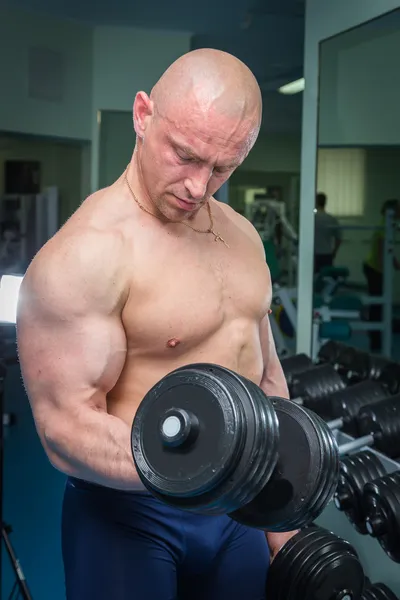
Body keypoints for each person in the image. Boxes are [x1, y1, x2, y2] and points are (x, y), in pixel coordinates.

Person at [16, 49, 296, 600]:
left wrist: (281, 511)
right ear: (143, 116)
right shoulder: (86, 256)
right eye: (185, 156)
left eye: (222, 168)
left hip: (236, 511)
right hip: (130, 517)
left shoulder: (244, 237)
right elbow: (64, 428)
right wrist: (205, 471)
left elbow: (265, 377)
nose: (198, 186)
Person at [363, 198, 400, 352]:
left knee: (378, 305)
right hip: (374, 268)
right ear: (390, 211)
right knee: (377, 305)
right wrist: (385, 268)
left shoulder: (387, 224)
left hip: (376, 268)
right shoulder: (384, 224)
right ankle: (375, 341)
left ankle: (376, 338)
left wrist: (394, 264)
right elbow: (381, 249)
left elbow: (388, 248)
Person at [314, 192, 342, 273]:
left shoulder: (312, 219)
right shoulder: (332, 219)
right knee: (327, 278)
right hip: (327, 254)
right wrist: (334, 252)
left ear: (315, 202)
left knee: (314, 279)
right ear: (325, 203)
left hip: (314, 254)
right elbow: (339, 239)